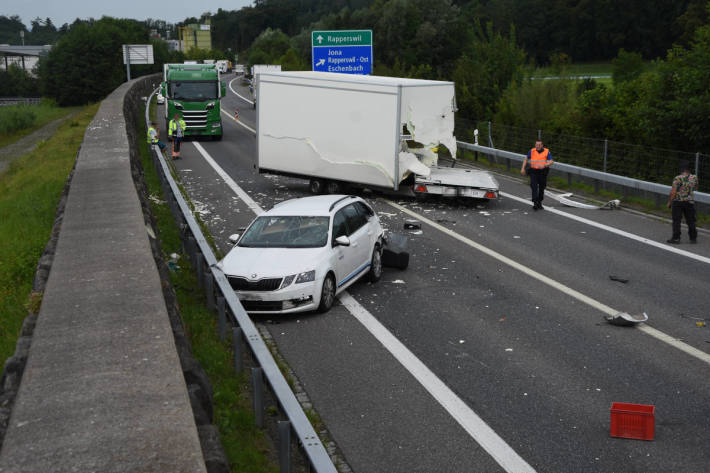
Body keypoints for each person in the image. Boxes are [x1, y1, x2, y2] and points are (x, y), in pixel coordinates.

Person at [667, 161, 698, 244]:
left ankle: (676, 238)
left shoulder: (678, 178)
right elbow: (695, 187)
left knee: (677, 220)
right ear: (688, 169)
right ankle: (693, 238)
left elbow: (673, 192)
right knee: (691, 220)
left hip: (678, 202)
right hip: (689, 202)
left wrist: (669, 202)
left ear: (681, 169)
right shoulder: (694, 177)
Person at [520, 139, 554, 210]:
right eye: (536, 145)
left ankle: (539, 202)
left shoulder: (547, 151)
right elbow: (526, 159)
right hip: (534, 171)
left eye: (539, 145)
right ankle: (535, 203)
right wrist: (523, 168)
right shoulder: (532, 151)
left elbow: (551, 161)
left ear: (542, 145)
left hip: (542, 172)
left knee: (542, 188)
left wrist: (545, 165)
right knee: (534, 186)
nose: (537, 146)